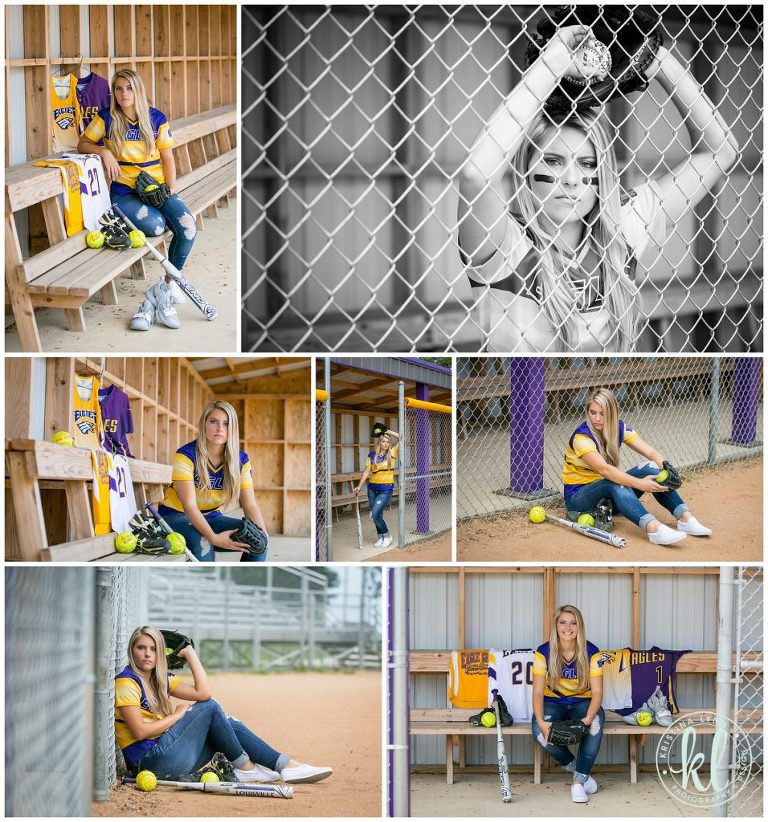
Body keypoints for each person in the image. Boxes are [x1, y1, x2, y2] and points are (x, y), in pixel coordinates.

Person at [458, 24, 738, 352]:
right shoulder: (506, 245)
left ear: (602, 172)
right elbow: (476, 175)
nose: (572, 180)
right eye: (553, 160)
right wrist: (551, 66)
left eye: (587, 164)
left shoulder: (620, 230)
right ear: (527, 170)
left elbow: (721, 150)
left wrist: (654, 59)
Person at [115, 626, 332, 783]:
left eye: (153, 649)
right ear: (131, 651)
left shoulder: (160, 679)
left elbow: (203, 691)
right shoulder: (127, 680)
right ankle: (247, 769)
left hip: (167, 757)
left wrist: (190, 653)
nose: (147, 654)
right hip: (150, 763)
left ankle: (287, 765)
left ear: (160, 652)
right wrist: (177, 716)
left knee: (228, 724)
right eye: (141, 648)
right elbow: (140, 731)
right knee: (209, 708)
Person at [78, 69, 196, 331]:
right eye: (118, 89)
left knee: (187, 226)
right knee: (155, 226)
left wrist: (170, 190)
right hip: (124, 194)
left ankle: (166, 286)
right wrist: (104, 152)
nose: (123, 94)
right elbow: (83, 143)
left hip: (154, 187)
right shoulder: (107, 117)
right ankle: (164, 292)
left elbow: (168, 158)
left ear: (138, 90)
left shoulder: (155, 118)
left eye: (129, 88)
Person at [563, 387, 712, 546]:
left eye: (603, 414)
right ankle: (653, 529)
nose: (597, 419)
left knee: (649, 467)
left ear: (612, 413)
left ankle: (685, 518)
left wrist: (666, 466)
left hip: (609, 498)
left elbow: (649, 451)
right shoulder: (582, 437)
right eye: (593, 413)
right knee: (612, 480)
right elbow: (605, 470)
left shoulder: (619, 428)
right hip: (579, 499)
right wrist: (640, 483)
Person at [158, 400, 269, 562]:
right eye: (213, 422)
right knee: (204, 541)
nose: (220, 428)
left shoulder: (241, 460)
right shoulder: (186, 455)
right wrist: (214, 538)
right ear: (204, 424)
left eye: (226, 423)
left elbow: (250, 504)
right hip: (175, 516)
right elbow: (189, 507)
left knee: (259, 542)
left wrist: (264, 536)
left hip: (211, 517)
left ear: (233, 429)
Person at [532, 605, 604, 803]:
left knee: (596, 723)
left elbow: (597, 692)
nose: (568, 628)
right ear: (556, 626)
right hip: (553, 702)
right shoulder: (543, 652)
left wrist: (588, 719)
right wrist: (540, 721)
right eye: (563, 622)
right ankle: (577, 769)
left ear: (579, 627)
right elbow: (538, 692)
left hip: (583, 701)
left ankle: (579, 783)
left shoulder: (592, 652)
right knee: (539, 731)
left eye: (573, 623)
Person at [352, 428, 400, 549]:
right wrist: (359, 485)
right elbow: (367, 471)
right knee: (378, 515)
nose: (386, 444)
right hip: (372, 488)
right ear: (379, 443)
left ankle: (388, 537)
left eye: (388, 442)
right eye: (383, 441)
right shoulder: (371, 455)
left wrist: (388, 431)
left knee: (374, 514)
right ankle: (381, 537)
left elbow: (402, 438)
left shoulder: (393, 453)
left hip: (386, 489)